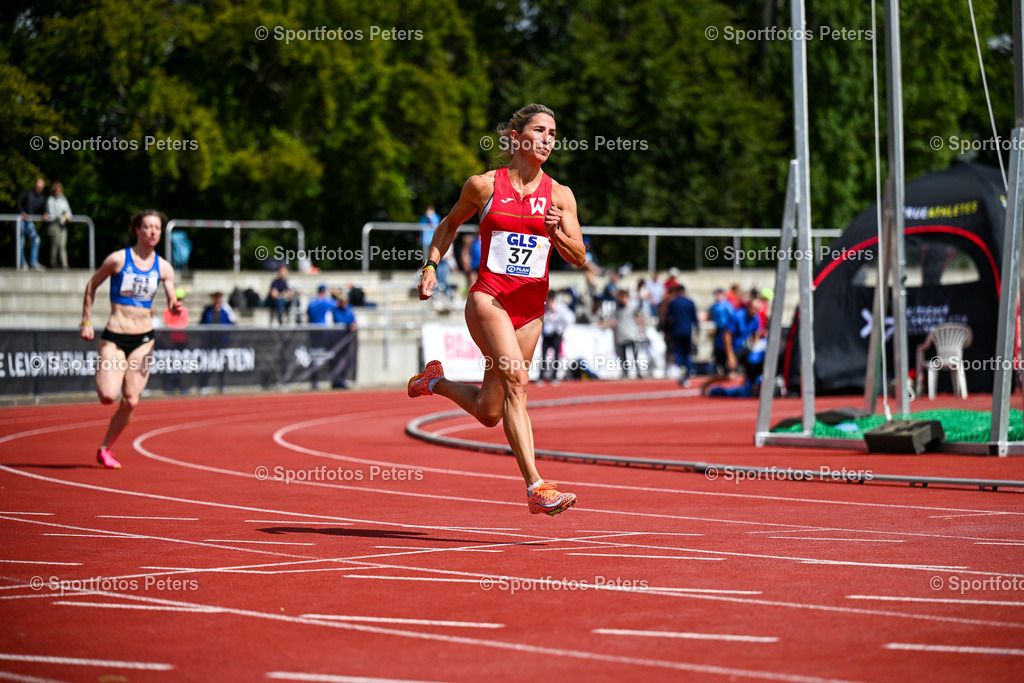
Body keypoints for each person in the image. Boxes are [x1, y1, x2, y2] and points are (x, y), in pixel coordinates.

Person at [410, 103, 586, 515]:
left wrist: (557, 233)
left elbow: (579, 256)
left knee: (490, 411)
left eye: (553, 134)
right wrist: (431, 266)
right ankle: (536, 487)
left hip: (531, 310)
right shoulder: (484, 186)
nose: (547, 140)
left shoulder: (560, 195)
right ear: (516, 137)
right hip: (489, 298)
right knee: (518, 381)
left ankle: (434, 381)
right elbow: (449, 224)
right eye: (539, 131)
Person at [80, 210, 182, 468]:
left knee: (131, 401)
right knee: (107, 396)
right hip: (115, 335)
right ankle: (106, 371)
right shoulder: (118, 259)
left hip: (144, 339)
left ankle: (105, 448)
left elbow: (171, 298)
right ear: (137, 230)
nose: (153, 232)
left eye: (157, 228)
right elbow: (92, 285)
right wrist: (86, 321)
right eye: (147, 227)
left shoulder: (164, 267)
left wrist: (174, 306)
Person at [199, 291, 235, 394]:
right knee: (207, 363)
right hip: (210, 340)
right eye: (216, 297)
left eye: (219, 297)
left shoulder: (225, 311)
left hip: (221, 340)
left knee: (222, 363)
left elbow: (232, 323)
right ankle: (205, 385)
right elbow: (202, 323)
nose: (217, 300)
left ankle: (221, 386)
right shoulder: (208, 310)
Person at [663, 284, 699, 386]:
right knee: (686, 352)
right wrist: (697, 331)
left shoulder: (673, 303)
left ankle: (681, 370)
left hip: (677, 331)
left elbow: (668, 318)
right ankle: (686, 372)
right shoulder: (689, 302)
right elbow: (695, 318)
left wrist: (667, 331)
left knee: (678, 352)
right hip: (687, 331)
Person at [540, 290, 575, 383]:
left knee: (556, 356)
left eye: (551, 300)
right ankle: (541, 376)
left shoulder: (560, 308)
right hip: (546, 334)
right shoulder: (544, 308)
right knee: (543, 355)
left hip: (556, 334)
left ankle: (554, 376)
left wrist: (561, 329)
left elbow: (570, 318)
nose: (549, 303)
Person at [16, 177, 48, 271]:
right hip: (21, 220)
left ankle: (33, 263)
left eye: (41, 187)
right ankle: (22, 263)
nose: (39, 189)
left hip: (29, 221)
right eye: (38, 186)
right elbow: (18, 202)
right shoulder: (28, 193)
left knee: (36, 239)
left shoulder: (42, 198)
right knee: (21, 241)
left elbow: (44, 208)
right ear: (35, 185)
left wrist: (45, 213)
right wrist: (22, 212)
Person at [46, 182, 73, 270]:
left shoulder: (63, 199)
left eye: (59, 190)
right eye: (56, 190)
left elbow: (68, 211)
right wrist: (63, 217)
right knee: (55, 245)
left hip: (62, 225)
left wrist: (68, 217)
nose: (57, 192)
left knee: (62, 245)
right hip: (54, 225)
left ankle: (64, 264)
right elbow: (52, 214)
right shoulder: (50, 200)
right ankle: (53, 263)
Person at [709, 288, 735, 376]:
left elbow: (732, 317)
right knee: (718, 349)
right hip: (718, 330)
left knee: (727, 347)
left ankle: (728, 368)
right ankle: (719, 368)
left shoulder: (727, 305)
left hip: (726, 330)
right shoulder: (714, 306)